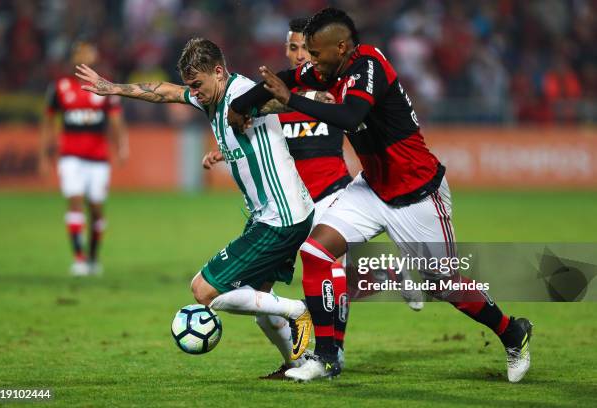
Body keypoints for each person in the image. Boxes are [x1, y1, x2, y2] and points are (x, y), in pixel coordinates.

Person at [229, 8, 533, 383]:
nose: (311, 60)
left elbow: (350, 116)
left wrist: (291, 100)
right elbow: (286, 79)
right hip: (372, 188)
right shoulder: (327, 69)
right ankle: (325, 358)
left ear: (341, 47)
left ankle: (511, 331)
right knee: (316, 252)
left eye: (316, 52)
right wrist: (239, 106)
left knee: (445, 285)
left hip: (419, 194)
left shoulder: (369, 65)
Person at [76, 37, 316, 374]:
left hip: (281, 217)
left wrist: (332, 100)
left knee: (205, 291)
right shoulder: (209, 97)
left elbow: (285, 102)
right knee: (260, 304)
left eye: (198, 84)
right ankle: (297, 364)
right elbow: (165, 91)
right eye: (191, 85)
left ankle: (298, 310)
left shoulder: (243, 96)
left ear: (218, 72)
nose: (194, 92)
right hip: (275, 214)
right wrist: (112, 86)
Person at [202, 17, 424, 379]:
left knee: (327, 270)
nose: (297, 54)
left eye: (303, 48)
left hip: (332, 193)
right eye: (291, 47)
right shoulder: (279, 94)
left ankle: (331, 353)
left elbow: (348, 107)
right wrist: (226, 150)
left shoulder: (330, 88)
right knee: (267, 297)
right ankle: (385, 278)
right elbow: (259, 144)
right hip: (291, 204)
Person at [39, 40, 129, 276]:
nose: (84, 56)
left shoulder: (104, 87)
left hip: (98, 158)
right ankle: (78, 258)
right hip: (70, 157)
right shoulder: (59, 87)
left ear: (95, 58)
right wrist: (44, 155)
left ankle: (93, 257)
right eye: (80, 53)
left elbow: (116, 121)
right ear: (73, 58)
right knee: (75, 201)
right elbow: (48, 122)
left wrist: (121, 147)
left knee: (96, 208)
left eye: (89, 52)